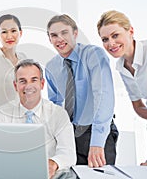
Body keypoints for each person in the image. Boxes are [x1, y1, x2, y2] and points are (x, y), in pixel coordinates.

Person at [97, 10, 147, 166]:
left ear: (130, 31)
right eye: (105, 39)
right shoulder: (121, 66)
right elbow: (139, 107)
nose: (111, 43)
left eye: (115, 35)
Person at [45, 14, 118, 168]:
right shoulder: (51, 67)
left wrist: (97, 142)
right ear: (49, 39)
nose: (59, 39)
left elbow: (103, 95)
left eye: (64, 32)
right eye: (54, 35)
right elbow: (55, 106)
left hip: (97, 131)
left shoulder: (93, 55)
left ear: (75, 33)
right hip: (70, 134)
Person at [0, 59, 76, 178]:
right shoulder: (2, 114)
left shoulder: (58, 114)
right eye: (22, 81)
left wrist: (53, 163)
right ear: (16, 86)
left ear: (42, 84)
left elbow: (68, 153)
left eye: (34, 80)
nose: (28, 86)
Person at [0, 14, 26, 113]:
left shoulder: (23, 59)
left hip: (18, 114)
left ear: (20, 33)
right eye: (4, 32)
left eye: (13, 31)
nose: (9, 36)